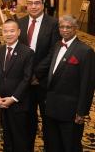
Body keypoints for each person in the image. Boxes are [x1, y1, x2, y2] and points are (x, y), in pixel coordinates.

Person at [36, 15, 95, 152]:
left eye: (68, 27)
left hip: (71, 111)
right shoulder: (57, 45)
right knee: (52, 144)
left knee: (70, 146)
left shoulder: (85, 51)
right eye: (62, 27)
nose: (65, 30)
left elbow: (87, 85)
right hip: (51, 107)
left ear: (76, 29)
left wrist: (82, 112)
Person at [17, 0, 61, 151]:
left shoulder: (53, 23)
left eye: (37, 3)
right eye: (30, 3)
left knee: (48, 121)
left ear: (43, 5)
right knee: (27, 121)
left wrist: (35, 74)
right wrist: (26, 76)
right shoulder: (20, 23)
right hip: (24, 82)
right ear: (26, 5)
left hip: (43, 81)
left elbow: (53, 52)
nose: (33, 6)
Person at [0, 20, 34, 152]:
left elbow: (27, 79)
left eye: (12, 31)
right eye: (5, 31)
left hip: (18, 104)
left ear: (19, 32)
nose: (8, 34)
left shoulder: (27, 52)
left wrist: (13, 98)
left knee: (20, 139)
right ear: (1, 33)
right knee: (7, 137)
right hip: (2, 102)